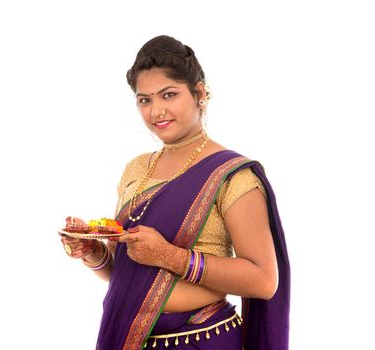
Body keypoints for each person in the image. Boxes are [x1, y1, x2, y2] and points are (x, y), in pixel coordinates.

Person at [60, 35, 290, 350]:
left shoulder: (231, 176)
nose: (157, 111)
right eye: (145, 100)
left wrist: (170, 256)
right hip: (132, 339)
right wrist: (94, 253)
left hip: (202, 340)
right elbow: (130, 274)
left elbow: (264, 281)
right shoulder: (137, 170)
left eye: (169, 95)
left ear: (200, 94)